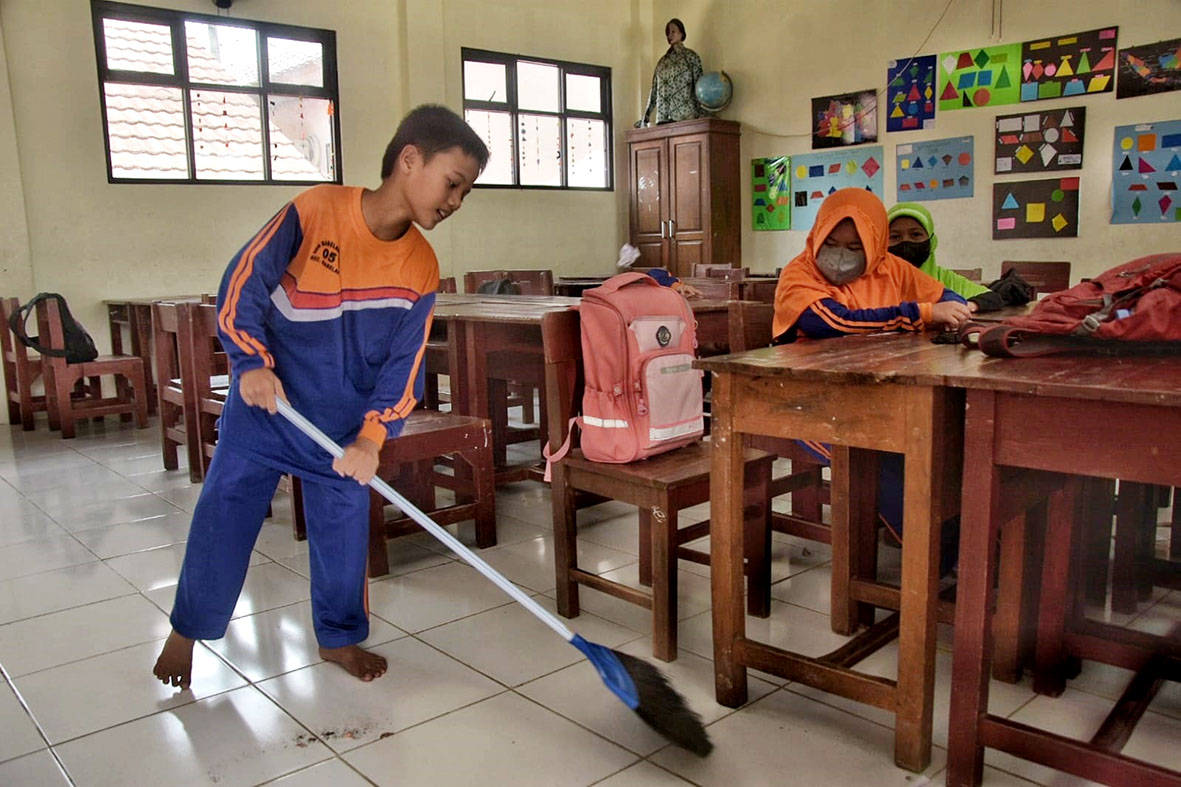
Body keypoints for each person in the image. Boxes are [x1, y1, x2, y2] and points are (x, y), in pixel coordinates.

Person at [152, 105, 489, 690]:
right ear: (410, 160)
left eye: (465, 192)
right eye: (453, 183)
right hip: (266, 412)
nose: (456, 201)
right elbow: (241, 283)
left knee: (343, 536)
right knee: (224, 519)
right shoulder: (315, 211)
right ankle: (187, 629)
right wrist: (250, 361)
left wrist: (371, 438)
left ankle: (338, 638)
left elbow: (404, 368)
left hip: (338, 432)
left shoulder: (421, 267)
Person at [772, 188, 970, 572]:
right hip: (810, 401)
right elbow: (829, 321)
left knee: (941, 437)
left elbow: (946, 296)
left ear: (875, 245)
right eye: (831, 243)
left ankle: (966, 545)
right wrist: (920, 314)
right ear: (817, 235)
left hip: (877, 393)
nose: (840, 256)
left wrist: (954, 309)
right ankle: (941, 556)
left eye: (854, 246)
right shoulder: (799, 272)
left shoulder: (890, 267)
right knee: (880, 451)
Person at [887, 202, 1003, 312]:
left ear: (932, 241)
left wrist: (965, 306)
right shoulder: (880, 280)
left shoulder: (944, 278)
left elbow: (992, 297)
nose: (906, 242)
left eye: (916, 234)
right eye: (895, 237)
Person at [636, 18, 704, 127]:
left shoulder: (691, 57)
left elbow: (699, 87)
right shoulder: (662, 63)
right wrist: (645, 118)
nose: (670, 35)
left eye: (673, 31)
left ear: (681, 33)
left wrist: (701, 114)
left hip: (686, 118)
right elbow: (653, 91)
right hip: (663, 120)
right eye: (668, 33)